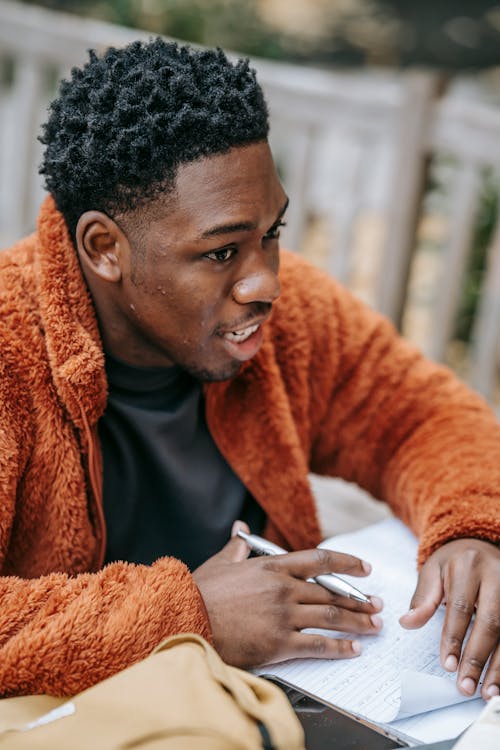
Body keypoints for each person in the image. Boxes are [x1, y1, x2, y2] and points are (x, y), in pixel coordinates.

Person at [0, 38, 498, 701]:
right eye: (221, 252)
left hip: (264, 708)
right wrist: (187, 618)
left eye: (272, 233)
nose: (264, 281)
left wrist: (470, 530)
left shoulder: (287, 319)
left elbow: (422, 416)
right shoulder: (12, 347)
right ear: (104, 248)